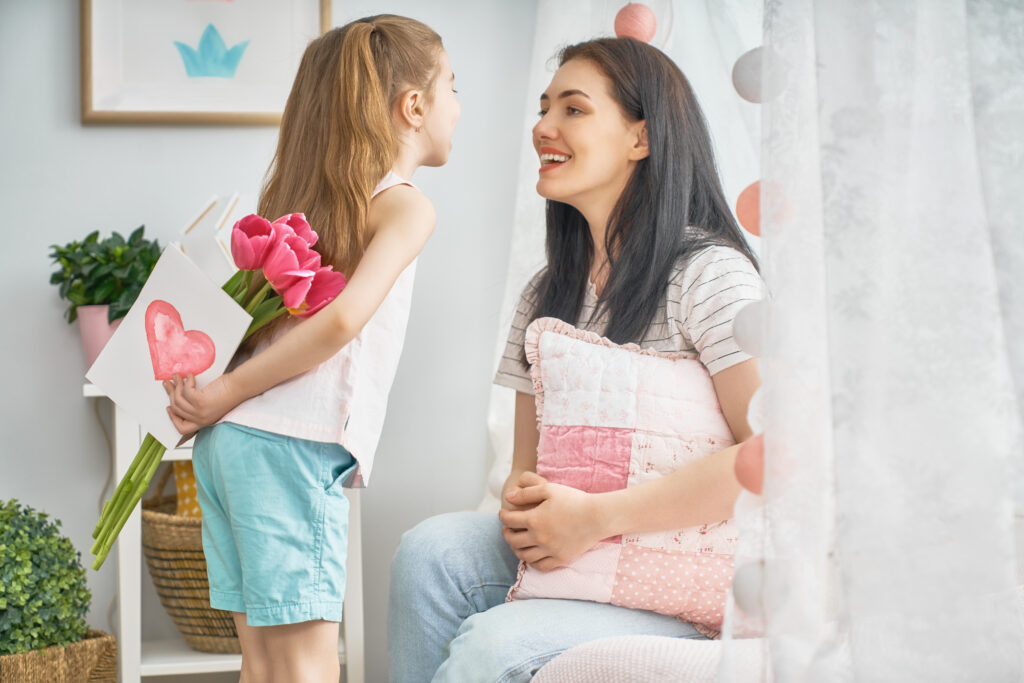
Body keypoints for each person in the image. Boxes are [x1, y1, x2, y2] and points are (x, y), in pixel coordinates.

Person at [388, 37, 763, 682]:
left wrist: (595, 518)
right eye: (543, 108)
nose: (542, 127)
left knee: (490, 646)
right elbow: (526, 470)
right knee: (429, 552)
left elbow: (774, 456)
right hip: (587, 549)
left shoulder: (710, 276)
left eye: (574, 109)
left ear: (640, 139)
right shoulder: (547, 292)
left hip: (687, 572)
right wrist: (529, 502)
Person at [164, 14, 460, 683]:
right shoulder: (405, 206)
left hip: (234, 447)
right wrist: (225, 392)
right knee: (305, 665)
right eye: (453, 87)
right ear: (414, 105)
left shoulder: (307, 210)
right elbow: (340, 323)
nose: (457, 107)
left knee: (265, 663)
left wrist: (220, 401)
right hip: (288, 448)